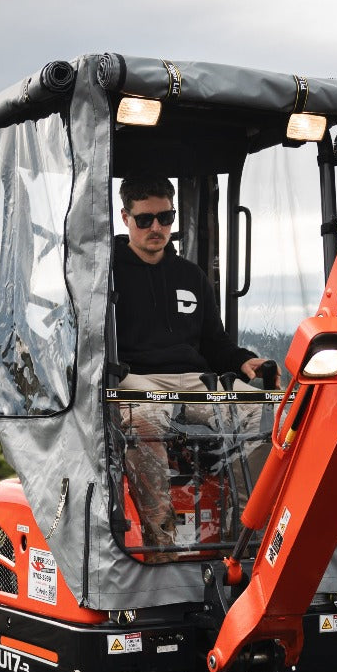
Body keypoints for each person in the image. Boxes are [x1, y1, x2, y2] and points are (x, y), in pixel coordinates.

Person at [113, 176, 272, 561]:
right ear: (125, 218)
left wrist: (242, 361)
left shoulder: (191, 276)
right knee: (145, 419)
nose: (156, 228)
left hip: (194, 382)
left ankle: (243, 542)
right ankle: (160, 546)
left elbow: (215, 343)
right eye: (145, 219)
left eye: (165, 218)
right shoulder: (106, 275)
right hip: (136, 378)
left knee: (263, 414)